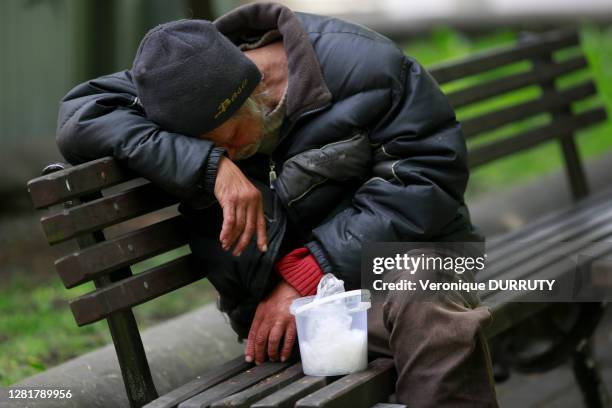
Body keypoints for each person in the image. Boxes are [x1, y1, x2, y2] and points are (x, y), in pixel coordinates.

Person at [56, 2, 498, 406]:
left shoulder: (368, 66)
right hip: (284, 320)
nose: (231, 152)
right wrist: (209, 165)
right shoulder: (182, 80)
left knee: (429, 308)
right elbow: (80, 116)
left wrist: (312, 268)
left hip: (403, 263)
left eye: (229, 138)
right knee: (435, 323)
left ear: (256, 89)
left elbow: (428, 176)